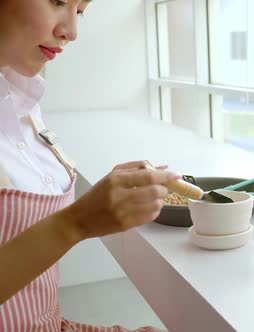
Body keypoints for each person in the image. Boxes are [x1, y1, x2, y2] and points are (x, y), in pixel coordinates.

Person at [0, 1, 175, 331]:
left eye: (80, 10)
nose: (72, 31)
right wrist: (76, 222)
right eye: (57, 1)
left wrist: (96, 206)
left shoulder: (20, 97)